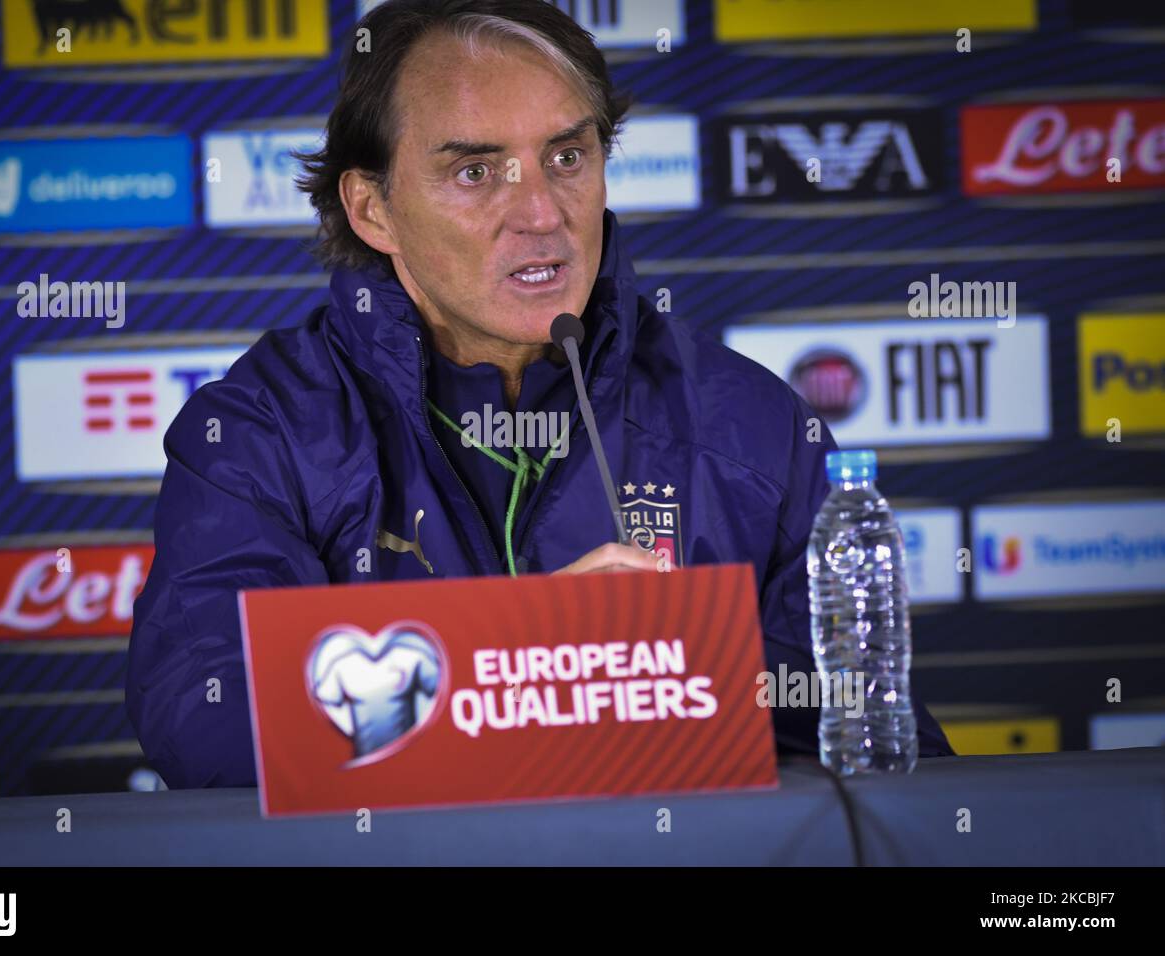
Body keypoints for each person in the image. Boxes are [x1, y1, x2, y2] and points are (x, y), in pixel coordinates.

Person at [126, 0, 953, 788]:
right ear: (373, 209)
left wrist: (682, 670)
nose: (540, 213)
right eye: (477, 170)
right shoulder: (259, 431)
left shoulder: (752, 426)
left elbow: (877, 737)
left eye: (567, 157)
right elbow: (205, 710)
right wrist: (534, 662)